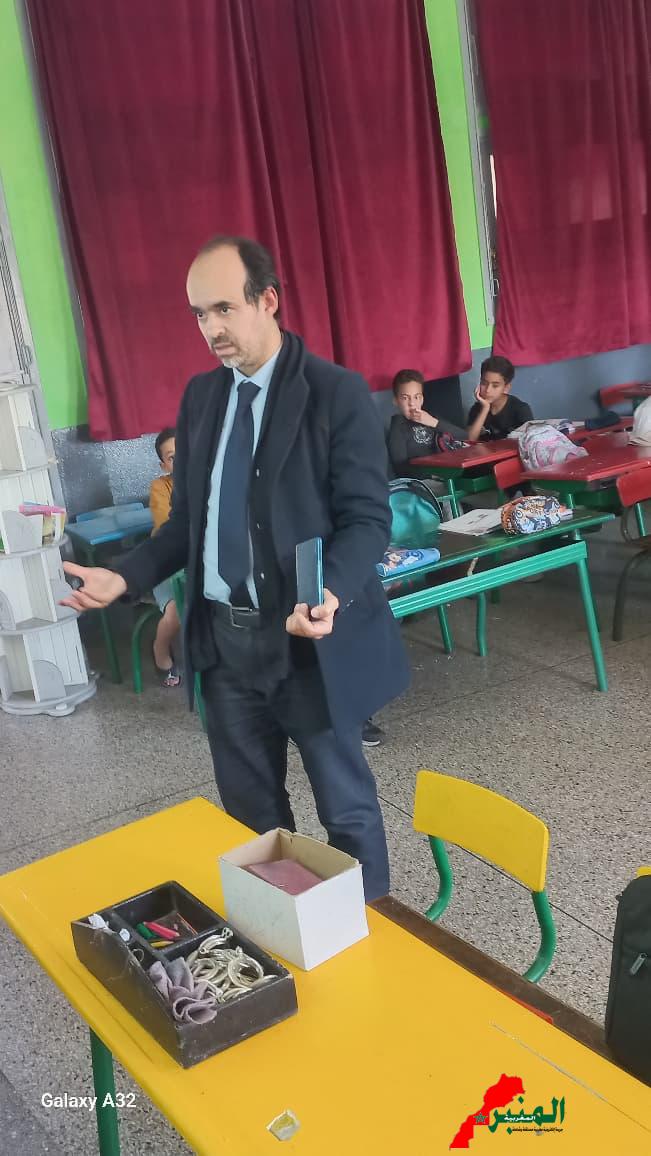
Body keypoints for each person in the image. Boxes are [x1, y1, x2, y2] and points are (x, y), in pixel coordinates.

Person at [62, 235, 409, 902]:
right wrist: (125, 576)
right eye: (199, 313)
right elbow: (187, 523)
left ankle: (371, 931)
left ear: (267, 300)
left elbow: (368, 518)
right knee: (252, 819)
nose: (211, 328)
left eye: (224, 308)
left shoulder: (333, 394)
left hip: (306, 639)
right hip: (223, 646)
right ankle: (279, 927)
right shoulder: (202, 398)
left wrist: (329, 590)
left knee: (346, 811)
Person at [387, 369, 467, 476]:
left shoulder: (430, 417)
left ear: (422, 399)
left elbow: (464, 436)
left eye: (416, 397)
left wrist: (433, 422)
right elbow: (400, 467)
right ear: (396, 401)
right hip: (424, 480)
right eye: (405, 398)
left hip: (447, 474)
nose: (412, 403)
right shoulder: (398, 426)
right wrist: (432, 475)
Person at [149, 427, 182, 687]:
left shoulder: (214, 479)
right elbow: (167, 526)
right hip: (167, 561)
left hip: (205, 562)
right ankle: (160, 650)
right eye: (172, 457)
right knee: (175, 611)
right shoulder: (161, 487)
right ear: (164, 465)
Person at [466, 355, 533, 442]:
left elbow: (530, 441)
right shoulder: (477, 408)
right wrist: (485, 408)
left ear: (506, 388)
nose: (488, 390)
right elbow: (470, 440)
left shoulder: (520, 410)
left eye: (495, 386)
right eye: (484, 383)